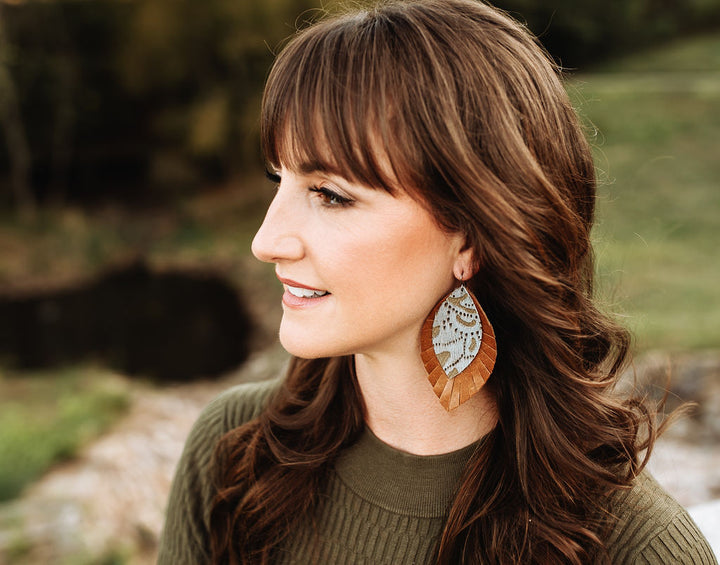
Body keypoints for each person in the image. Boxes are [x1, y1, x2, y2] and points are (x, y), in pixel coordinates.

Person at [157, 1, 717, 563]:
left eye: (330, 194)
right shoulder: (234, 450)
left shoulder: (636, 547)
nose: (265, 241)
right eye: (278, 179)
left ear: (471, 238)